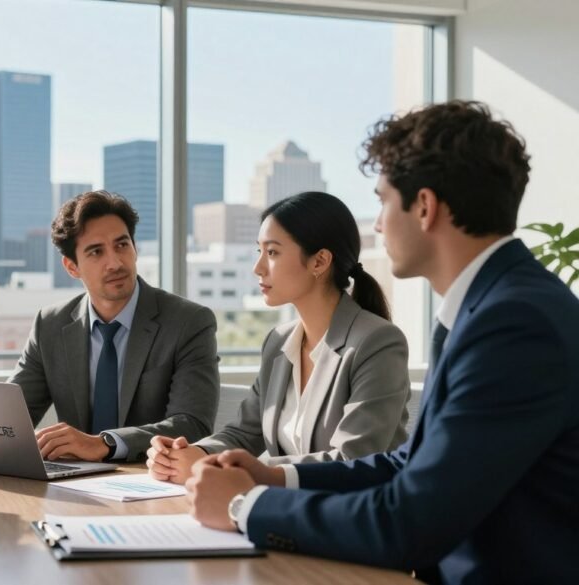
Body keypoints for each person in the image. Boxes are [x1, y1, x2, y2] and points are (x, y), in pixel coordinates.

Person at [186, 101, 579, 584]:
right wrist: (275, 477)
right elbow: (409, 463)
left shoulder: (514, 322)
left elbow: (412, 521)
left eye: (383, 201)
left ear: (425, 207)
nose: (375, 224)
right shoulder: (486, 307)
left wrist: (246, 506)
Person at [147, 191, 409, 485]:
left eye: (272, 252)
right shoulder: (278, 341)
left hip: (356, 515)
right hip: (290, 512)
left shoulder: (377, 342)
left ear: (319, 261)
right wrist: (192, 453)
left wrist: (243, 471)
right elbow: (245, 434)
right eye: (259, 251)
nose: (257, 267)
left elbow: (354, 459)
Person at [9, 190, 219, 462]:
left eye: (122, 245)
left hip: (151, 482)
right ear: (72, 267)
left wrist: (106, 444)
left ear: (134, 248)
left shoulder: (188, 322)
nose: (115, 263)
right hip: (75, 484)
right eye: (96, 252)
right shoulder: (50, 325)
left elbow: (192, 424)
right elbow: (10, 418)